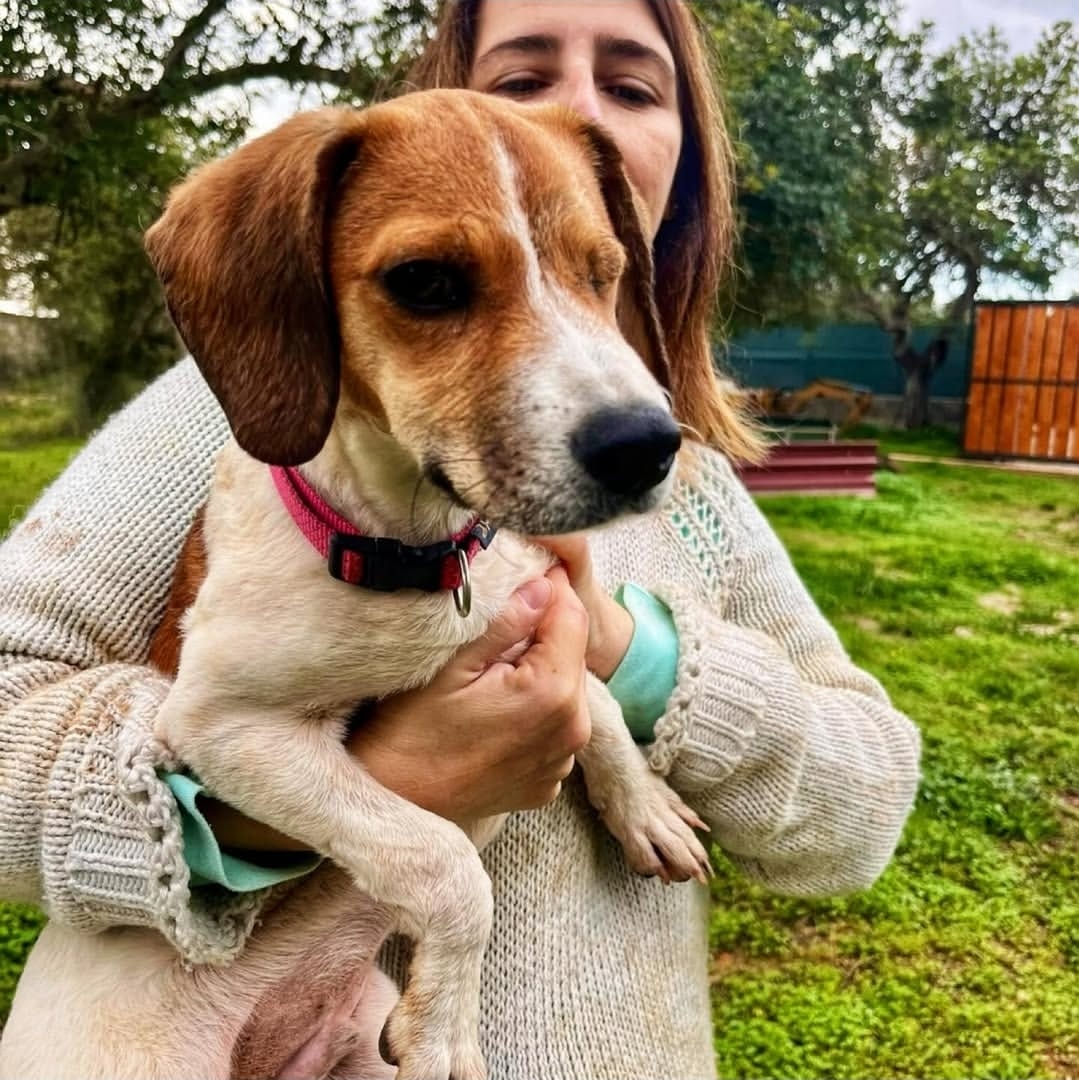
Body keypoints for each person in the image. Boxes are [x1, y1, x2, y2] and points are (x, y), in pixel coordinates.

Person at [0, 1, 921, 1077]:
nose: (579, 108)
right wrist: (347, 794)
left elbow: (863, 811)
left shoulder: (683, 476)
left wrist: (619, 650)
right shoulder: (240, 412)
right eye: (431, 286)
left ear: (670, 181)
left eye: (631, 85)